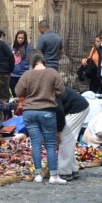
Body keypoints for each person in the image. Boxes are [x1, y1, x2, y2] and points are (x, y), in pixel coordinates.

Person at [15, 50, 66, 185]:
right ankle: (53, 175)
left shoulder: (27, 74)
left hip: (29, 111)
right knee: (50, 144)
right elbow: (61, 91)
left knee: (36, 144)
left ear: (31, 62)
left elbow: (18, 91)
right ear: (43, 60)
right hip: (47, 111)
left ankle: (38, 174)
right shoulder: (52, 73)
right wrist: (50, 94)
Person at [55, 87, 89, 181]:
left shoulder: (51, 91)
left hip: (77, 109)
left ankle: (64, 172)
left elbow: (59, 111)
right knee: (69, 140)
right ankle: (73, 169)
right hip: (78, 107)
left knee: (64, 139)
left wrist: (58, 130)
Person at [10, 30, 30, 96]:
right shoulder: (12, 48)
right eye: (19, 38)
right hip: (13, 75)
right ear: (16, 38)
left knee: (23, 94)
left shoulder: (29, 48)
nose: (20, 39)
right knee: (14, 94)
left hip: (23, 74)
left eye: (22, 38)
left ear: (25, 39)